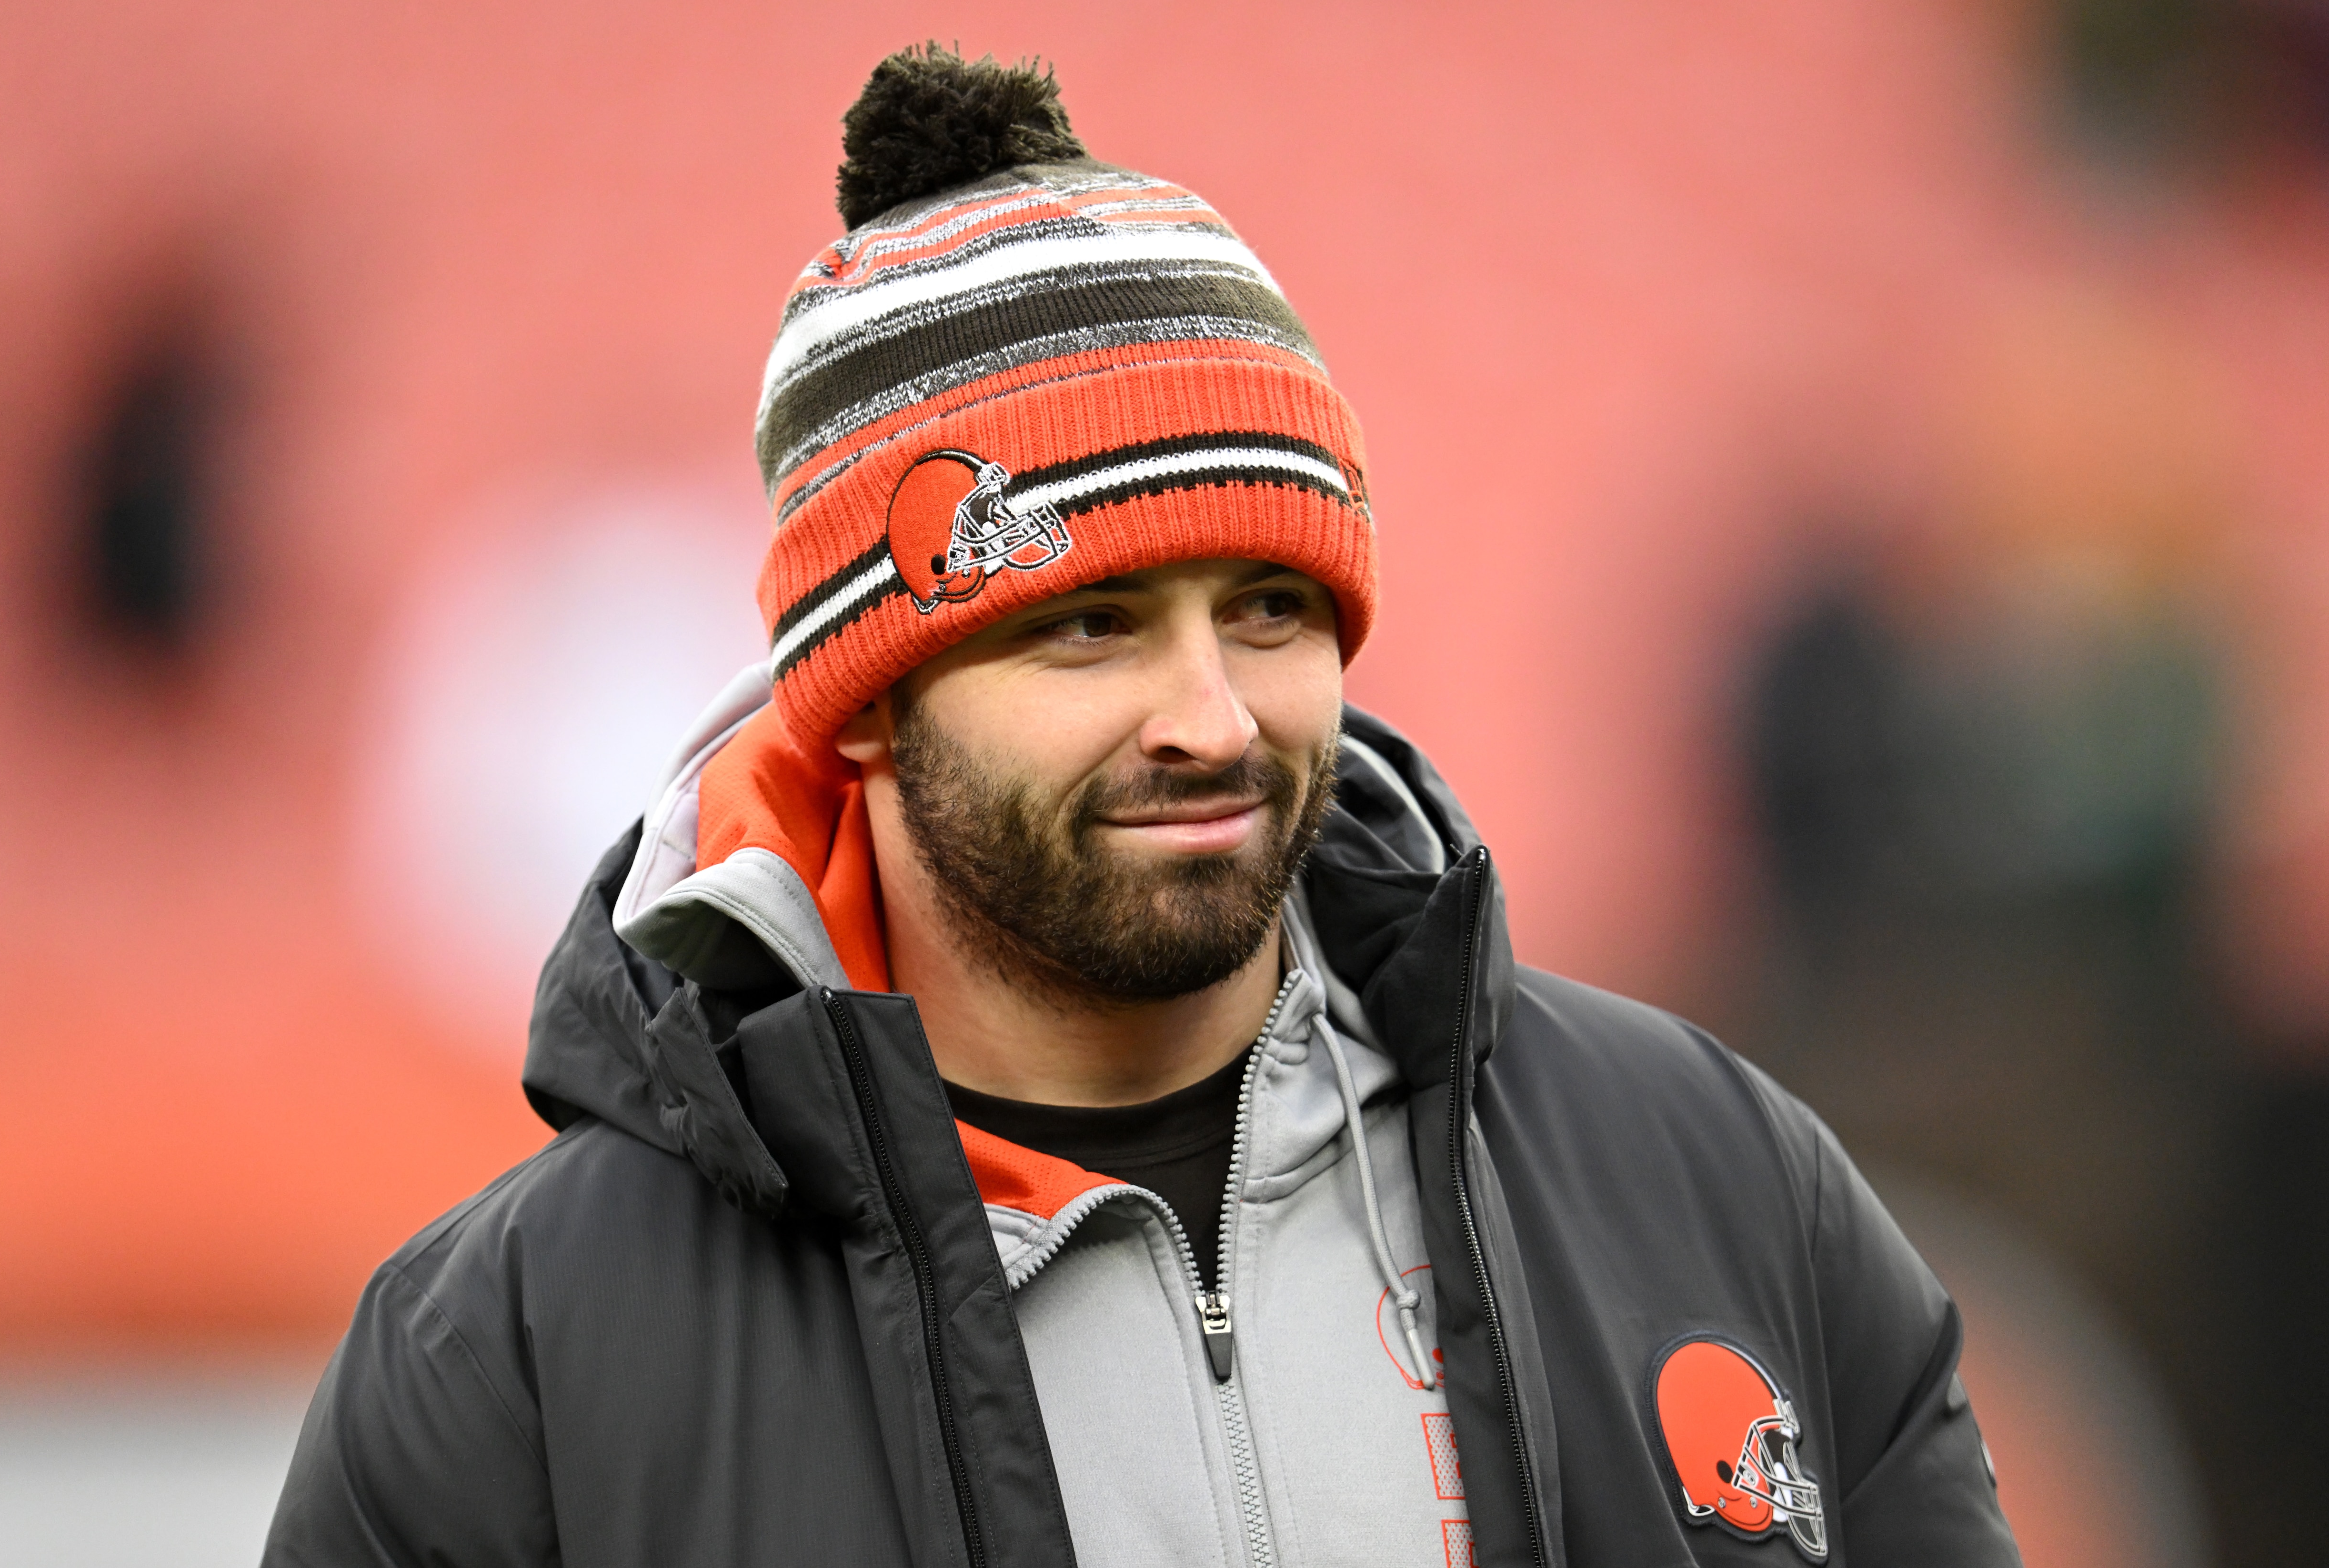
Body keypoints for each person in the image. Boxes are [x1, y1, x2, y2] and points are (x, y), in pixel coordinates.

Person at [264, 46, 2019, 1568]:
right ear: (863, 705)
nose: (1210, 718)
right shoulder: (517, 1361)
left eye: (1269, 609)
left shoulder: (1721, 1182)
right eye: (1088, 626)